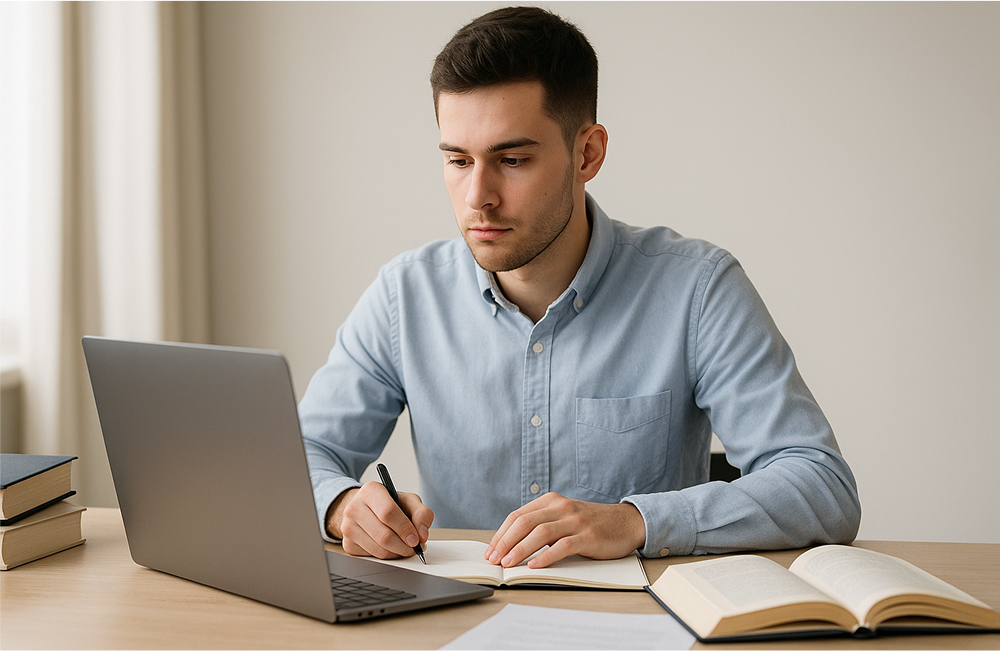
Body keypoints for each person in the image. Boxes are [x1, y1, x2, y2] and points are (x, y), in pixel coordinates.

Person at [298, 6, 861, 570]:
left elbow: (821, 486)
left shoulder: (697, 290)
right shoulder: (405, 298)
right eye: (458, 160)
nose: (477, 197)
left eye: (512, 159)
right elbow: (295, 457)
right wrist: (344, 507)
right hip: (460, 622)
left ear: (587, 154)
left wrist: (634, 520)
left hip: (638, 626)